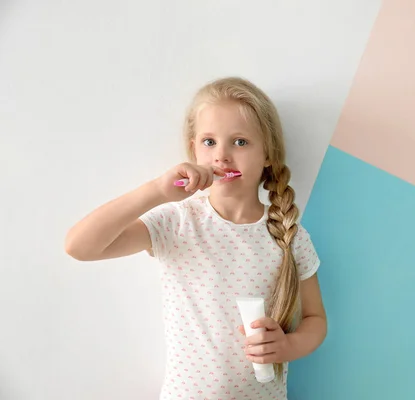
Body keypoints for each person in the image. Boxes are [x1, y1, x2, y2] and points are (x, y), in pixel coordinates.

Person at [64, 76, 327, 399]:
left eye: (240, 142)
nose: (222, 156)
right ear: (193, 149)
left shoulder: (289, 235)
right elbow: (80, 246)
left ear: (269, 153)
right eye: (209, 142)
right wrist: (157, 192)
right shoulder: (177, 222)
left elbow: (315, 319)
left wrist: (289, 345)